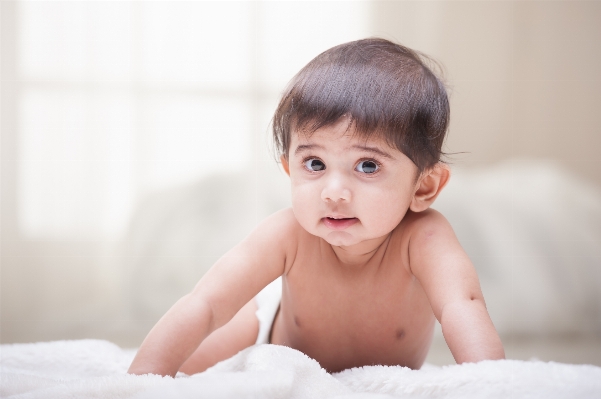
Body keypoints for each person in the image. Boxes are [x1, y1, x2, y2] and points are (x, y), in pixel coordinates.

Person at [128, 38, 505, 376]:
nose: (334, 192)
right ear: (290, 169)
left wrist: (493, 383)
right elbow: (206, 303)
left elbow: (463, 306)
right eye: (315, 164)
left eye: (368, 166)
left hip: (374, 375)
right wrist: (140, 379)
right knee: (231, 329)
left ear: (423, 186)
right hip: (269, 346)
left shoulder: (424, 238)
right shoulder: (287, 233)